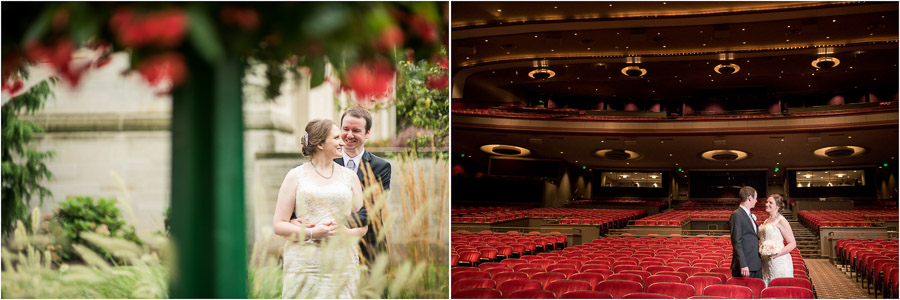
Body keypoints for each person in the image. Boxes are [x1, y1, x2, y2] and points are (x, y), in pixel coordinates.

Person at [273, 119, 367, 299]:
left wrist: (345, 233)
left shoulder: (350, 177)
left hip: (342, 265)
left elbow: (363, 225)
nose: (343, 141)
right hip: (304, 265)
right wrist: (312, 233)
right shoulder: (295, 176)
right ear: (320, 144)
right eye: (336, 137)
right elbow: (279, 225)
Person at [335, 106, 391, 266]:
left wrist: (336, 224)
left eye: (356, 130)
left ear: (367, 133)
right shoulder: (327, 162)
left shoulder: (381, 167)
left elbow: (372, 208)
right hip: (331, 245)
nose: (349, 135)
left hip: (369, 245)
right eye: (345, 129)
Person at [760, 194, 796, 286]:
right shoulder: (766, 221)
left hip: (779, 261)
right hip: (766, 262)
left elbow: (792, 243)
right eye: (766, 202)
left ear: (777, 206)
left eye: (770, 202)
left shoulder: (781, 220)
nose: (767, 204)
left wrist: (778, 253)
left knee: (779, 289)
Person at [729, 186, 762, 279]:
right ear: (749, 198)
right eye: (755, 198)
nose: (756, 201)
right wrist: (743, 264)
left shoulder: (749, 215)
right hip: (745, 266)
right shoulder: (737, 214)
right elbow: (736, 241)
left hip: (756, 263)